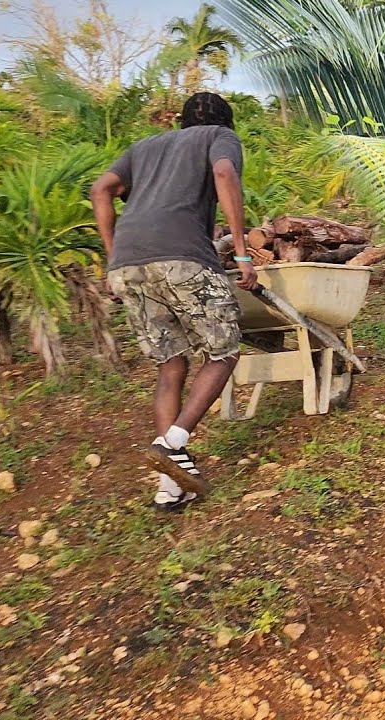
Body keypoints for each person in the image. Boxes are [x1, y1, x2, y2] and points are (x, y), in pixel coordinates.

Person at [90, 92, 258, 512]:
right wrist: (241, 253)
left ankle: (170, 488)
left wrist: (114, 258)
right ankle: (175, 442)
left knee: (171, 366)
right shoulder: (219, 137)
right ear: (226, 122)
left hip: (128, 264)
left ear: (181, 121)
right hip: (182, 257)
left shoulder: (145, 147)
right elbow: (223, 174)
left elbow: (100, 190)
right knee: (224, 352)